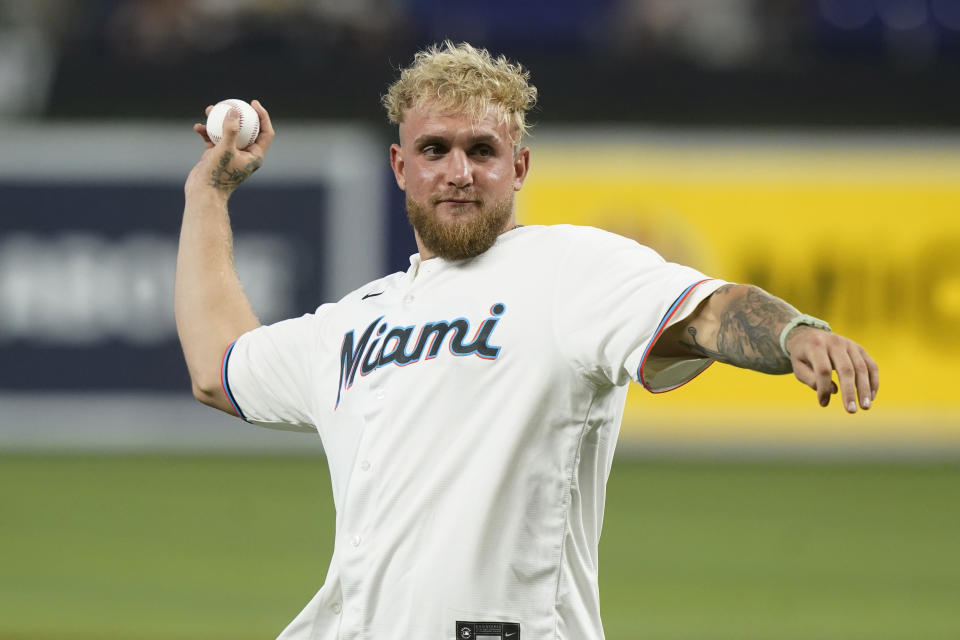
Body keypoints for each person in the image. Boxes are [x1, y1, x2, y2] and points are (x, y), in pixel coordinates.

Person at [175, 41, 878, 640]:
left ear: (519, 167)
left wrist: (792, 333)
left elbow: (708, 309)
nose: (458, 171)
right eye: (435, 150)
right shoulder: (355, 321)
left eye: (483, 150)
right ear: (399, 167)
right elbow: (220, 367)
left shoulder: (569, 270)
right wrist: (207, 195)